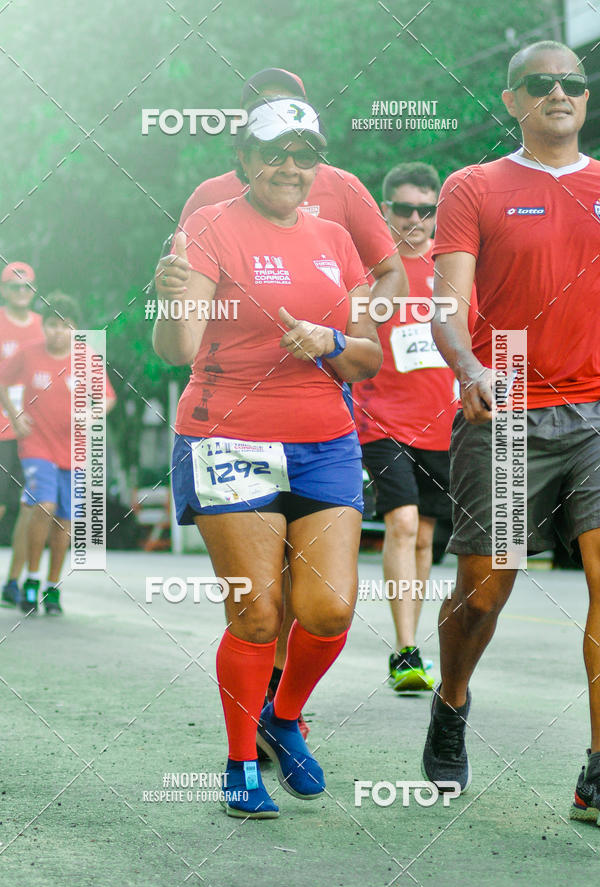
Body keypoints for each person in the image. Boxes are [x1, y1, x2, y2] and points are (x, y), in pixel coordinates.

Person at [157, 67, 407, 736]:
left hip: (323, 428)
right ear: (242, 145)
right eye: (273, 144)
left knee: (321, 603)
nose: (290, 163)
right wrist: (172, 298)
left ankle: (280, 714)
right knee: (260, 608)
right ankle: (247, 744)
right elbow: (182, 333)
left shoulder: (339, 206)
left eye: (303, 147)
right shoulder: (210, 206)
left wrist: (345, 335)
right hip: (232, 430)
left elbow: (387, 283)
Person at [420, 39, 600, 818]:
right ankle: (452, 697)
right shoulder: (475, 186)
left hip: (597, 410)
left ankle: (596, 769)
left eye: (574, 84)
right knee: (485, 593)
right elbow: (446, 308)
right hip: (508, 404)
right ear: (513, 99)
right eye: (542, 83)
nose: (560, 93)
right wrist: (468, 366)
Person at [355, 163, 477, 693]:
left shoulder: (452, 269)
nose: (415, 219)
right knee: (403, 523)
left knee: (425, 534)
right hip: (378, 419)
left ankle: (412, 648)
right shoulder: (372, 272)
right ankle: (404, 651)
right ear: (385, 211)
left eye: (426, 210)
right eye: (403, 208)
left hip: (441, 424)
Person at [0, 293, 116, 614]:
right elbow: (3, 379)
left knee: (65, 520)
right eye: (52, 325)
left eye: (66, 326)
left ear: (75, 329)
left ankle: (52, 587)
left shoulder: (87, 358)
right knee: (44, 504)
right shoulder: (28, 354)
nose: (58, 332)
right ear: (44, 327)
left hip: (75, 450)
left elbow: (106, 398)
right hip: (36, 445)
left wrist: (92, 415)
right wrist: (13, 413)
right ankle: (31, 579)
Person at [0, 262, 44, 607]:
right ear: (3, 290)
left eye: (26, 287)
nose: (20, 292)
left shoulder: (45, 328)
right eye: (14, 287)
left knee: (29, 507)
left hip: (32, 432)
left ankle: (13, 582)